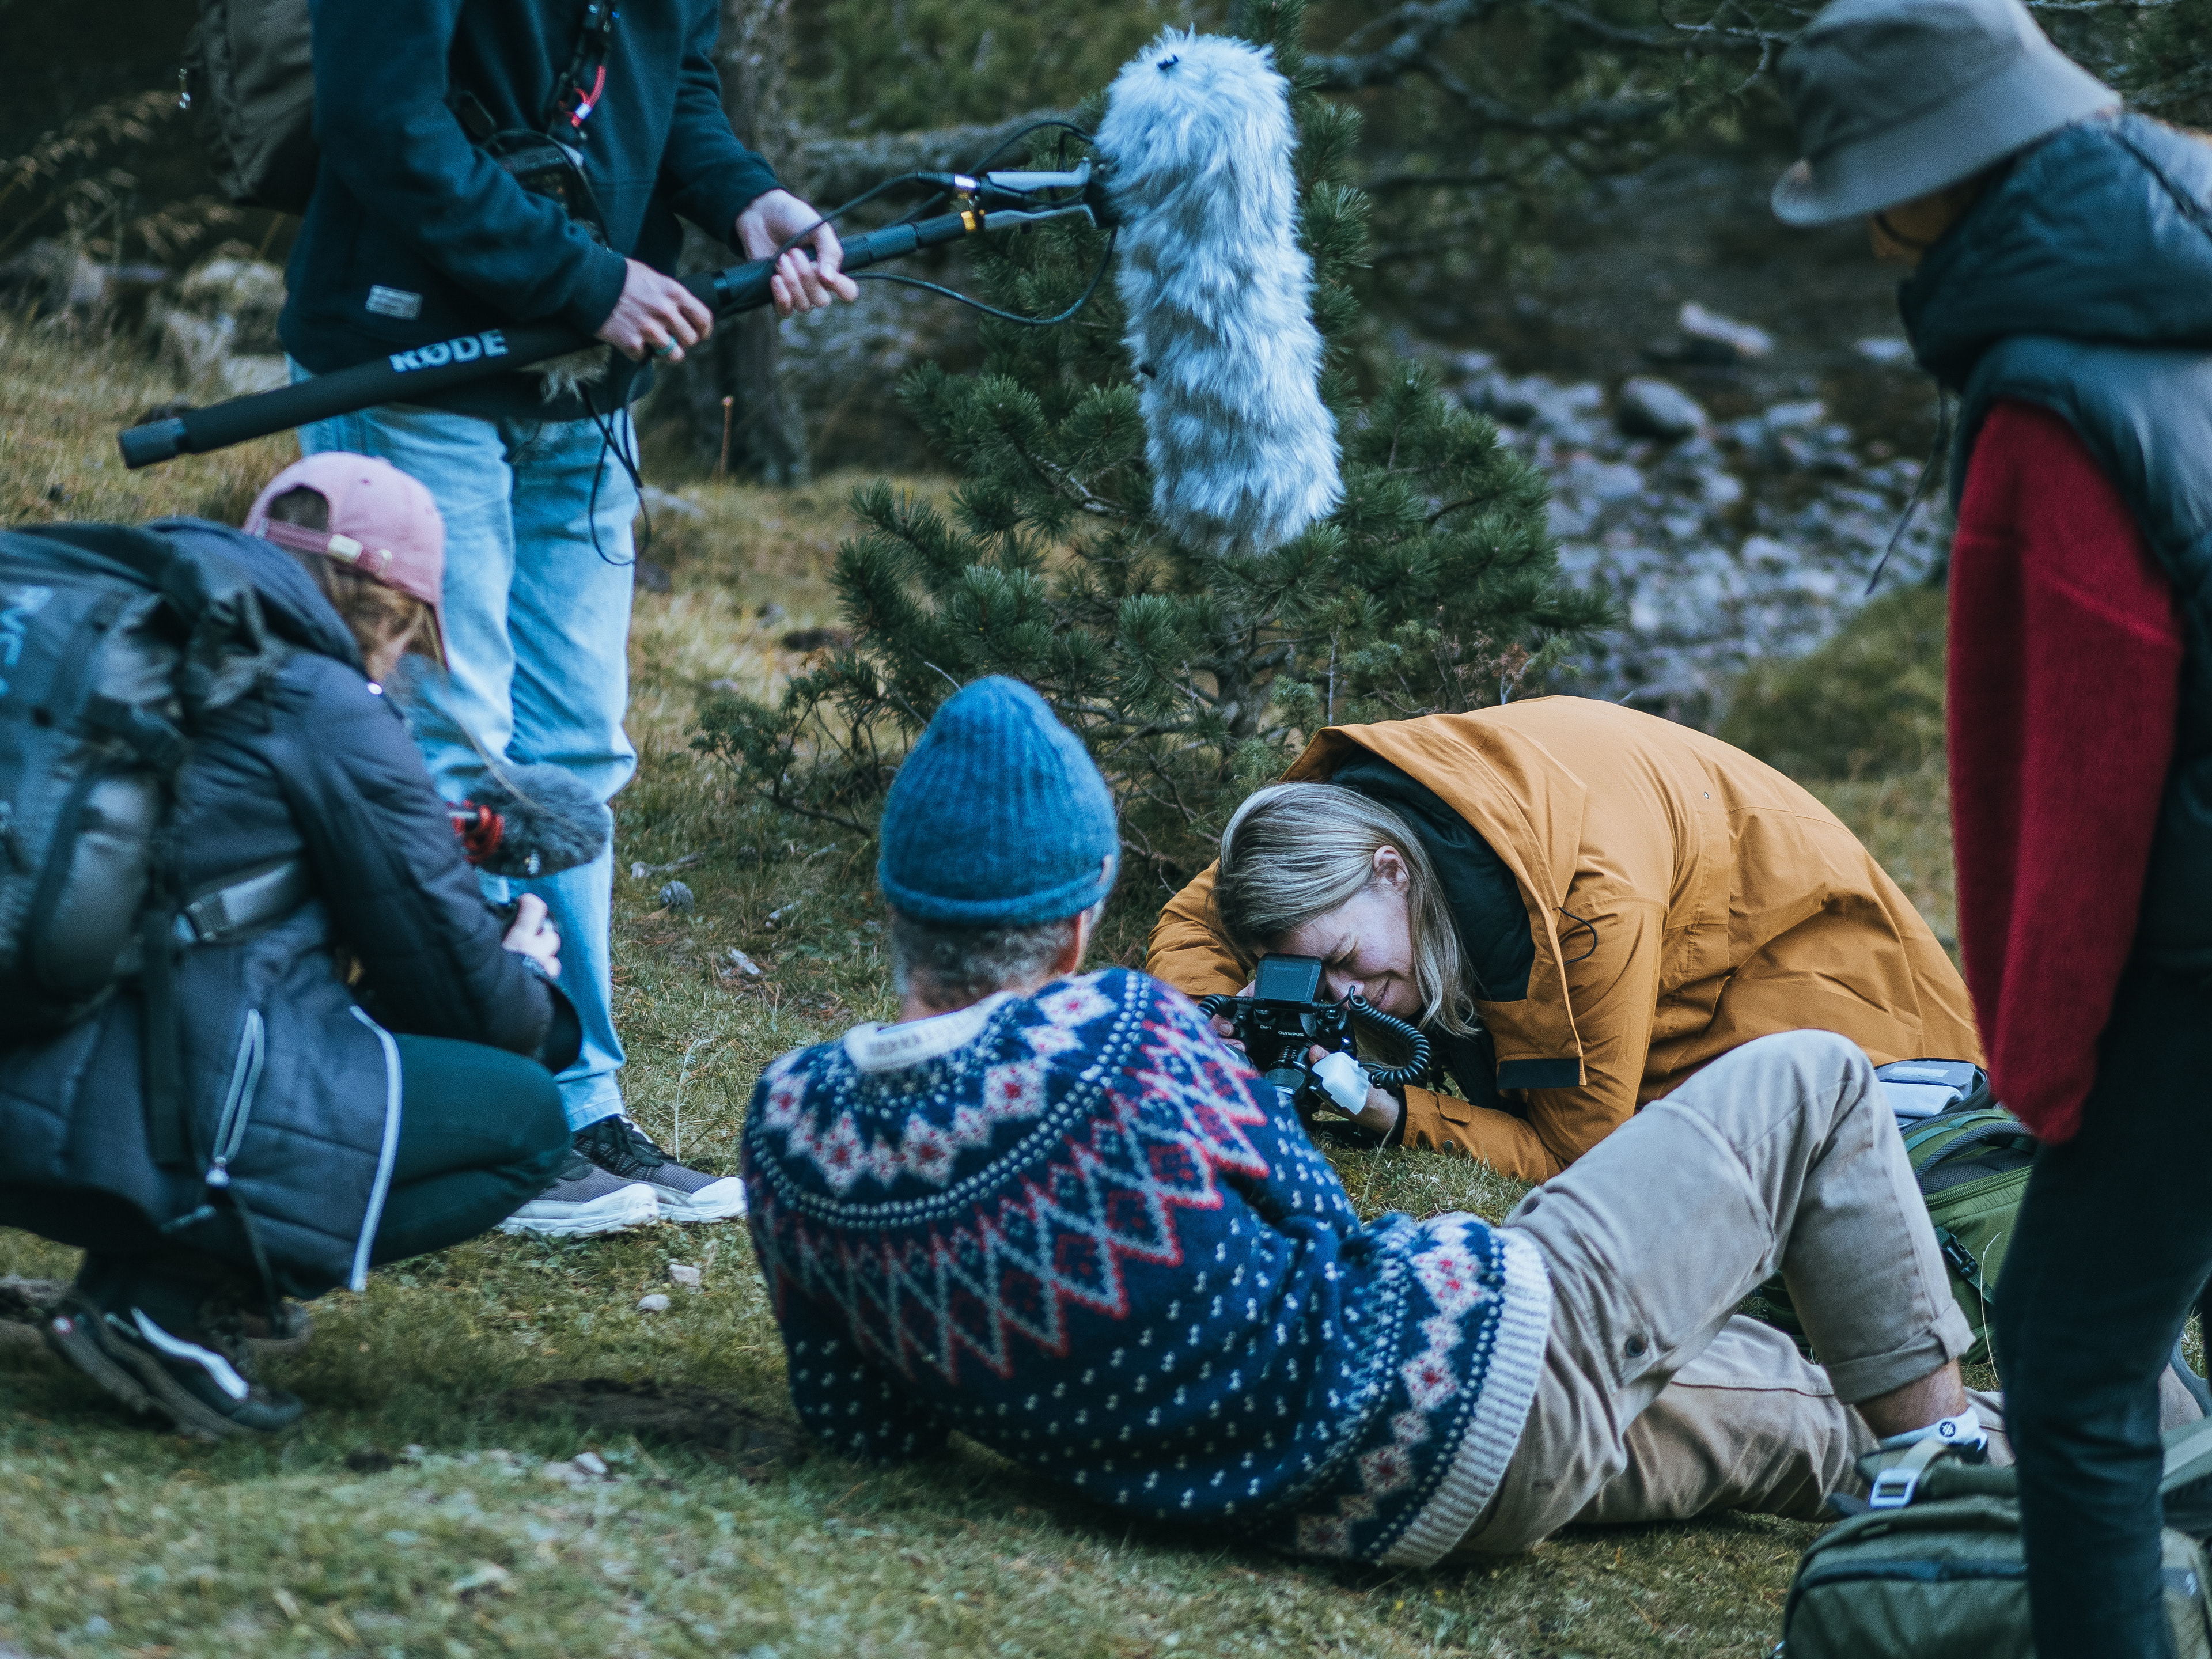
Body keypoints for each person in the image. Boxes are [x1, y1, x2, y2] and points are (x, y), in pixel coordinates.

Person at [743, 676, 2006, 1567]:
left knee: (1819, 1409)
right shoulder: (1125, 1035)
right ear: (1079, 926)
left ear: (892, 910)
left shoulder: (791, 1120)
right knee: (1816, 1076)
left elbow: (866, 1433)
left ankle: (2047, 1472)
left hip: (1400, 1502)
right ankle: (1950, 1446)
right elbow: (1315, 1214)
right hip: (1472, 1384)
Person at [1771, 2, 2212, 1652]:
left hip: (2192, 947)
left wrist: (2040, 1077)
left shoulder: (2044, 400)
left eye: (1867, 193)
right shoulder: (2188, 259)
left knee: (2079, 1358)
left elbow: (2072, 791)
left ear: (1927, 185)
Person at [278, 0, 858, 1231]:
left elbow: (675, 82)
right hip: (413, 359)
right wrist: (585, 278)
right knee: (454, 749)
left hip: (585, 383)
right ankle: (494, 1109)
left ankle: (583, 1107)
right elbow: (381, 120)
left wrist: (747, 198)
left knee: (577, 753)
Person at [0, 453, 601, 1439]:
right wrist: (529, 970)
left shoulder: (150, 639)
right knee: (522, 1119)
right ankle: (166, 1299)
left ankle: (164, 1271)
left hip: (30, 1070)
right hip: (128, 1125)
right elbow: (468, 1001)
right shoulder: (327, 707)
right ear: (394, 610)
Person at [1146, 697, 1980, 1179]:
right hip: (1683, 894)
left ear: (1393, 871)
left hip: (1811, 979)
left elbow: (1579, 1156)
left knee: (1687, 1159)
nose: (1341, 995)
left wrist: (1392, 1111)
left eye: (1338, 962)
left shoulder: (1585, 909)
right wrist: (1208, 1014)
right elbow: (1196, 915)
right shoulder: (1330, 830)